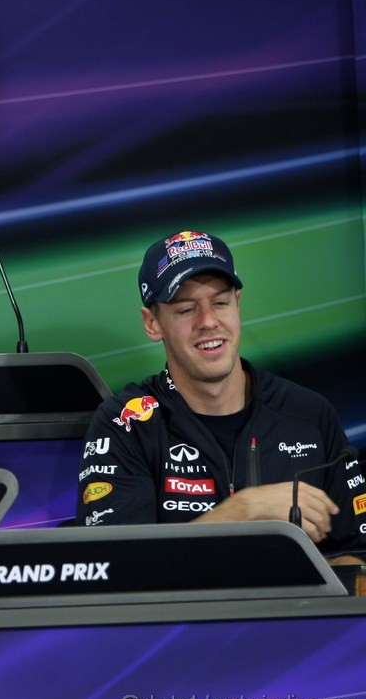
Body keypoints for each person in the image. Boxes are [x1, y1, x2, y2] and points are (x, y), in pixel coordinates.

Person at [76, 230, 365, 562]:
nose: (209, 322)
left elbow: (354, 554)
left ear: (238, 304)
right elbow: (115, 566)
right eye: (186, 310)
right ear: (153, 323)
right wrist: (243, 510)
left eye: (220, 302)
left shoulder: (309, 414)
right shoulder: (126, 425)